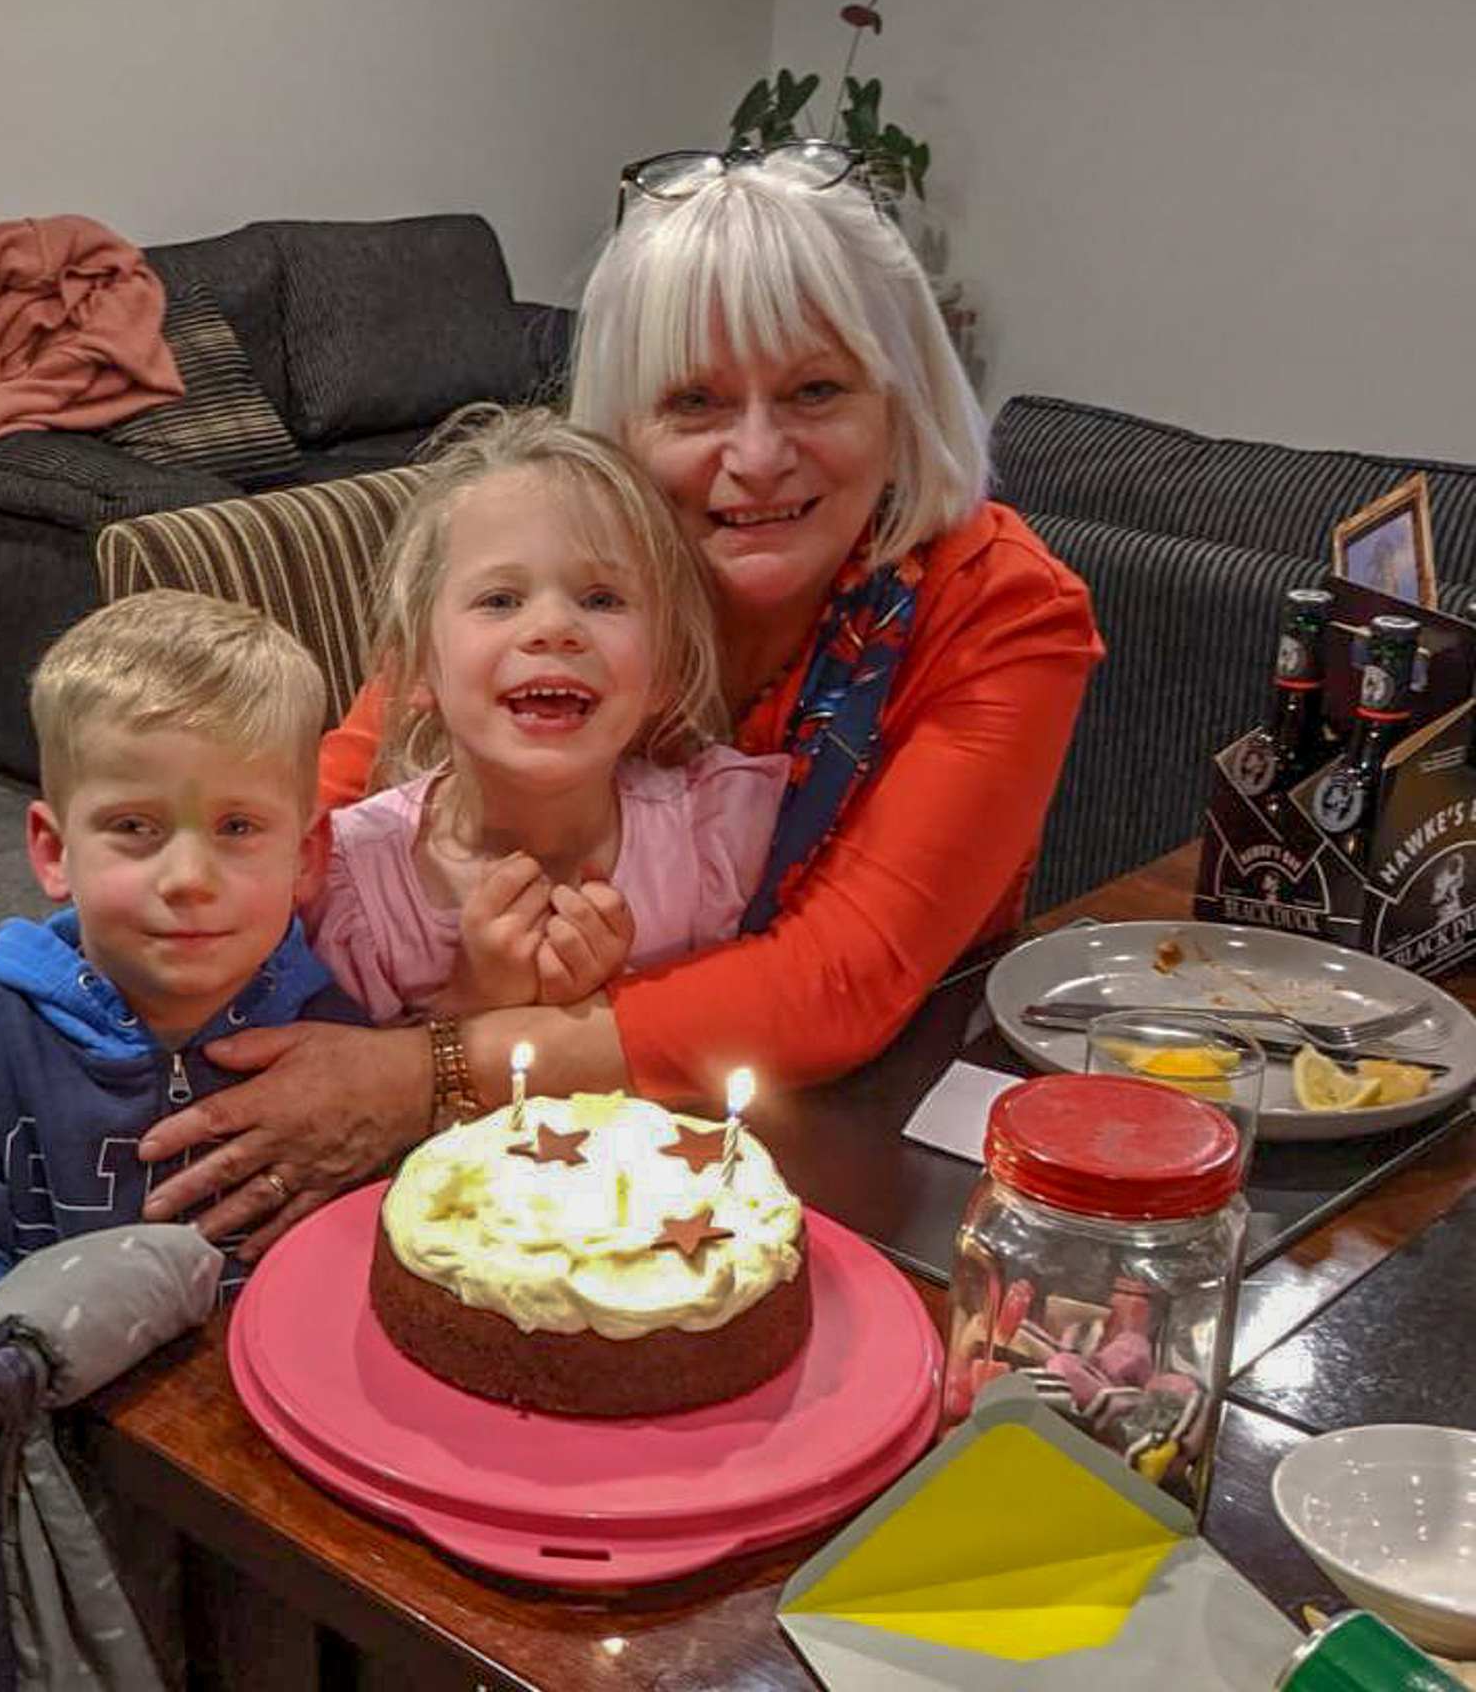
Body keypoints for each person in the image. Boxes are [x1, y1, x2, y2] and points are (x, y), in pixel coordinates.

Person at [133, 139, 1103, 1258]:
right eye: (694, 401)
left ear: (901, 401)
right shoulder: (554, 582)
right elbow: (325, 799)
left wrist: (437, 1069)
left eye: (816, 391)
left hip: (854, 1139)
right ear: (621, 427)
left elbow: (838, 981)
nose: (757, 456)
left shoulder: (1003, 608)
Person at [0, 589, 366, 1382]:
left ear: (306, 856)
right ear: (54, 850)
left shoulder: (336, 1034)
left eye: (238, 828)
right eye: (136, 827)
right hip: (56, 1439)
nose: (191, 879)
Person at [307, 406, 789, 1021]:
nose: (554, 628)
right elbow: (333, 1090)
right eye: (500, 599)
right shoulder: (351, 887)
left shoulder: (721, 839)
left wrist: (624, 1004)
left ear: (664, 671)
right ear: (417, 670)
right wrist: (472, 1000)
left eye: (601, 598)